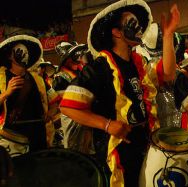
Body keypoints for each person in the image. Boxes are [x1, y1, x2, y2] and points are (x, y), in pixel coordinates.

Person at [59, 0, 180, 186]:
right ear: (116, 32)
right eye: (132, 23)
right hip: (116, 151)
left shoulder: (139, 63)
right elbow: (68, 106)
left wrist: (169, 34)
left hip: (143, 143)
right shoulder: (98, 68)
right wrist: (107, 125)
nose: (138, 27)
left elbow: (168, 75)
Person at [0, 34, 48, 156]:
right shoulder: (0, 78)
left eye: (27, 50)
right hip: (12, 139)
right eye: (20, 49)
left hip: (39, 138)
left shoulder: (38, 79)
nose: (24, 52)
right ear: (9, 55)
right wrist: (6, 93)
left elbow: (52, 103)